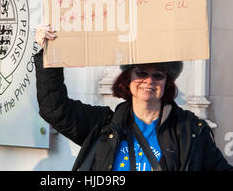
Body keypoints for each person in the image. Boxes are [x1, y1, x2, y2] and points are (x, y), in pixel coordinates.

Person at [33, 24, 233, 171]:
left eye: (158, 75)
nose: (149, 81)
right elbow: (54, 108)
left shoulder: (190, 131)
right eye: (141, 73)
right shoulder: (102, 125)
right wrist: (49, 54)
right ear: (127, 78)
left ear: (167, 83)